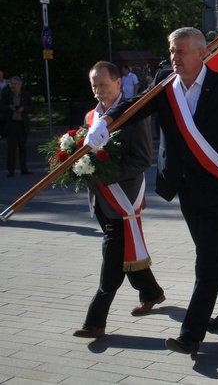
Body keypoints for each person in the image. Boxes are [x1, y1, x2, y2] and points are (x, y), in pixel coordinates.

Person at [84, 27, 218, 355]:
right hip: (182, 187)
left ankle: (190, 335)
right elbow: (135, 106)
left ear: (201, 52)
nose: (174, 58)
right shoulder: (165, 83)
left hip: (216, 187)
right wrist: (105, 122)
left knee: (205, 260)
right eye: (171, 52)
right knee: (211, 247)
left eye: (181, 52)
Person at [72, 61, 165, 339]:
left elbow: (141, 159)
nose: (99, 90)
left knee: (112, 258)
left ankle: (95, 321)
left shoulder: (133, 114)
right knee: (125, 249)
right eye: (94, 85)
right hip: (100, 199)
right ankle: (151, 291)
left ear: (117, 83)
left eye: (103, 84)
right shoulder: (91, 117)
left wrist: (106, 174)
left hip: (123, 199)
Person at [2, 76, 34, 177]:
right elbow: (1, 107)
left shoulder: (25, 95)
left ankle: (24, 169)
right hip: (11, 125)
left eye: (15, 84)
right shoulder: (6, 95)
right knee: (11, 149)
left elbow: (32, 107)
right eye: (12, 84)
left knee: (23, 148)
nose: (12, 86)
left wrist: (23, 109)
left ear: (20, 85)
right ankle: (11, 171)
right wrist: (8, 107)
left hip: (22, 125)